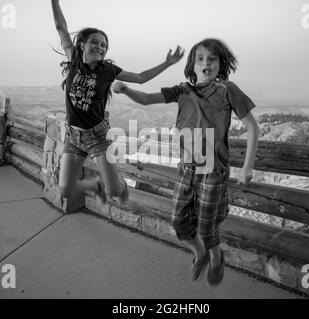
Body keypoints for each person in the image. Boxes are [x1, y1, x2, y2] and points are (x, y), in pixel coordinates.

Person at [113, 38, 259, 287]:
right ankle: (199, 251)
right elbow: (148, 99)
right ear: (192, 65)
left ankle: (215, 257)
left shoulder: (227, 90)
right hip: (186, 168)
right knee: (179, 222)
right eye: (200, 59)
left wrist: (247, 166)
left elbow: (252, 127)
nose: (206, 63)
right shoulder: (183, 90)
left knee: (207, 225)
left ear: (221, 64)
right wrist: (126, 90)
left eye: (212, 59)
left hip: (213, 170)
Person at [51, 0, 184, 206]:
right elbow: (61, 28)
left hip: (98, 136)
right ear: (82, 44)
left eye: (104, 45)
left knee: (114, 191)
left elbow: (140, 77)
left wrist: (167, 63)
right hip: (73, 136)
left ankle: (117, 186)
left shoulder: (108, 71)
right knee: (65, 190)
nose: (100, 47)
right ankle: (95, 185)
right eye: (94, 42)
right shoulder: (74, 61)